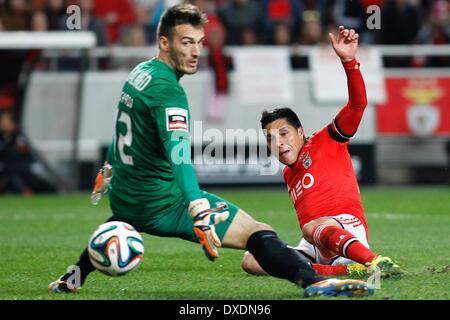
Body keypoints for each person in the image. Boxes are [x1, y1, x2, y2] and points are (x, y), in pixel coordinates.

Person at [49, 4, 373, 298]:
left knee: (123, 218)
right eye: (186, 42)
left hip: (126, 196)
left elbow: (124, 127)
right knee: (257, 232)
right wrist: (197, 206)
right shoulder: (168, 91)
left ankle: (73, 277)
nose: (195, 52)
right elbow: (178, 155)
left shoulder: (140, 73)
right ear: (164, 43)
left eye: (200, 42)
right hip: (163, 202)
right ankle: (314, 283)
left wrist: (109, 166)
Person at [241, 26, 402, 279]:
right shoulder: (288, 173)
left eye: (284, 134)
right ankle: (343, 269)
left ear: (300, 131)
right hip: (315, 244)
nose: (278, 143)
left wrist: (349, 62)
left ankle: (374, 262)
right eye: (270, 139)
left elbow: (358, 105)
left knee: (310, 227)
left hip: (345, 230)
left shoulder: (326, 140)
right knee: (252, 259)